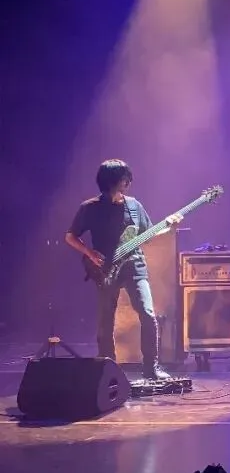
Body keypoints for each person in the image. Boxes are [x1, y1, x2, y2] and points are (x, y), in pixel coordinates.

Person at [64, 159, 181, 380]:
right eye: (123, 178)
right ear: (112, 181)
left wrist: (169, 227)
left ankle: (151, 367)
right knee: (105, 320)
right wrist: (90, 253)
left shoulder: (134, 206)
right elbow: (70, 236)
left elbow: (148, 234)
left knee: (148, 313)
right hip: (105, 269)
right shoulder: (90, 208)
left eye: (127, 178)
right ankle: (107, 367)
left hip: (135, 266)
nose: (128, 182)